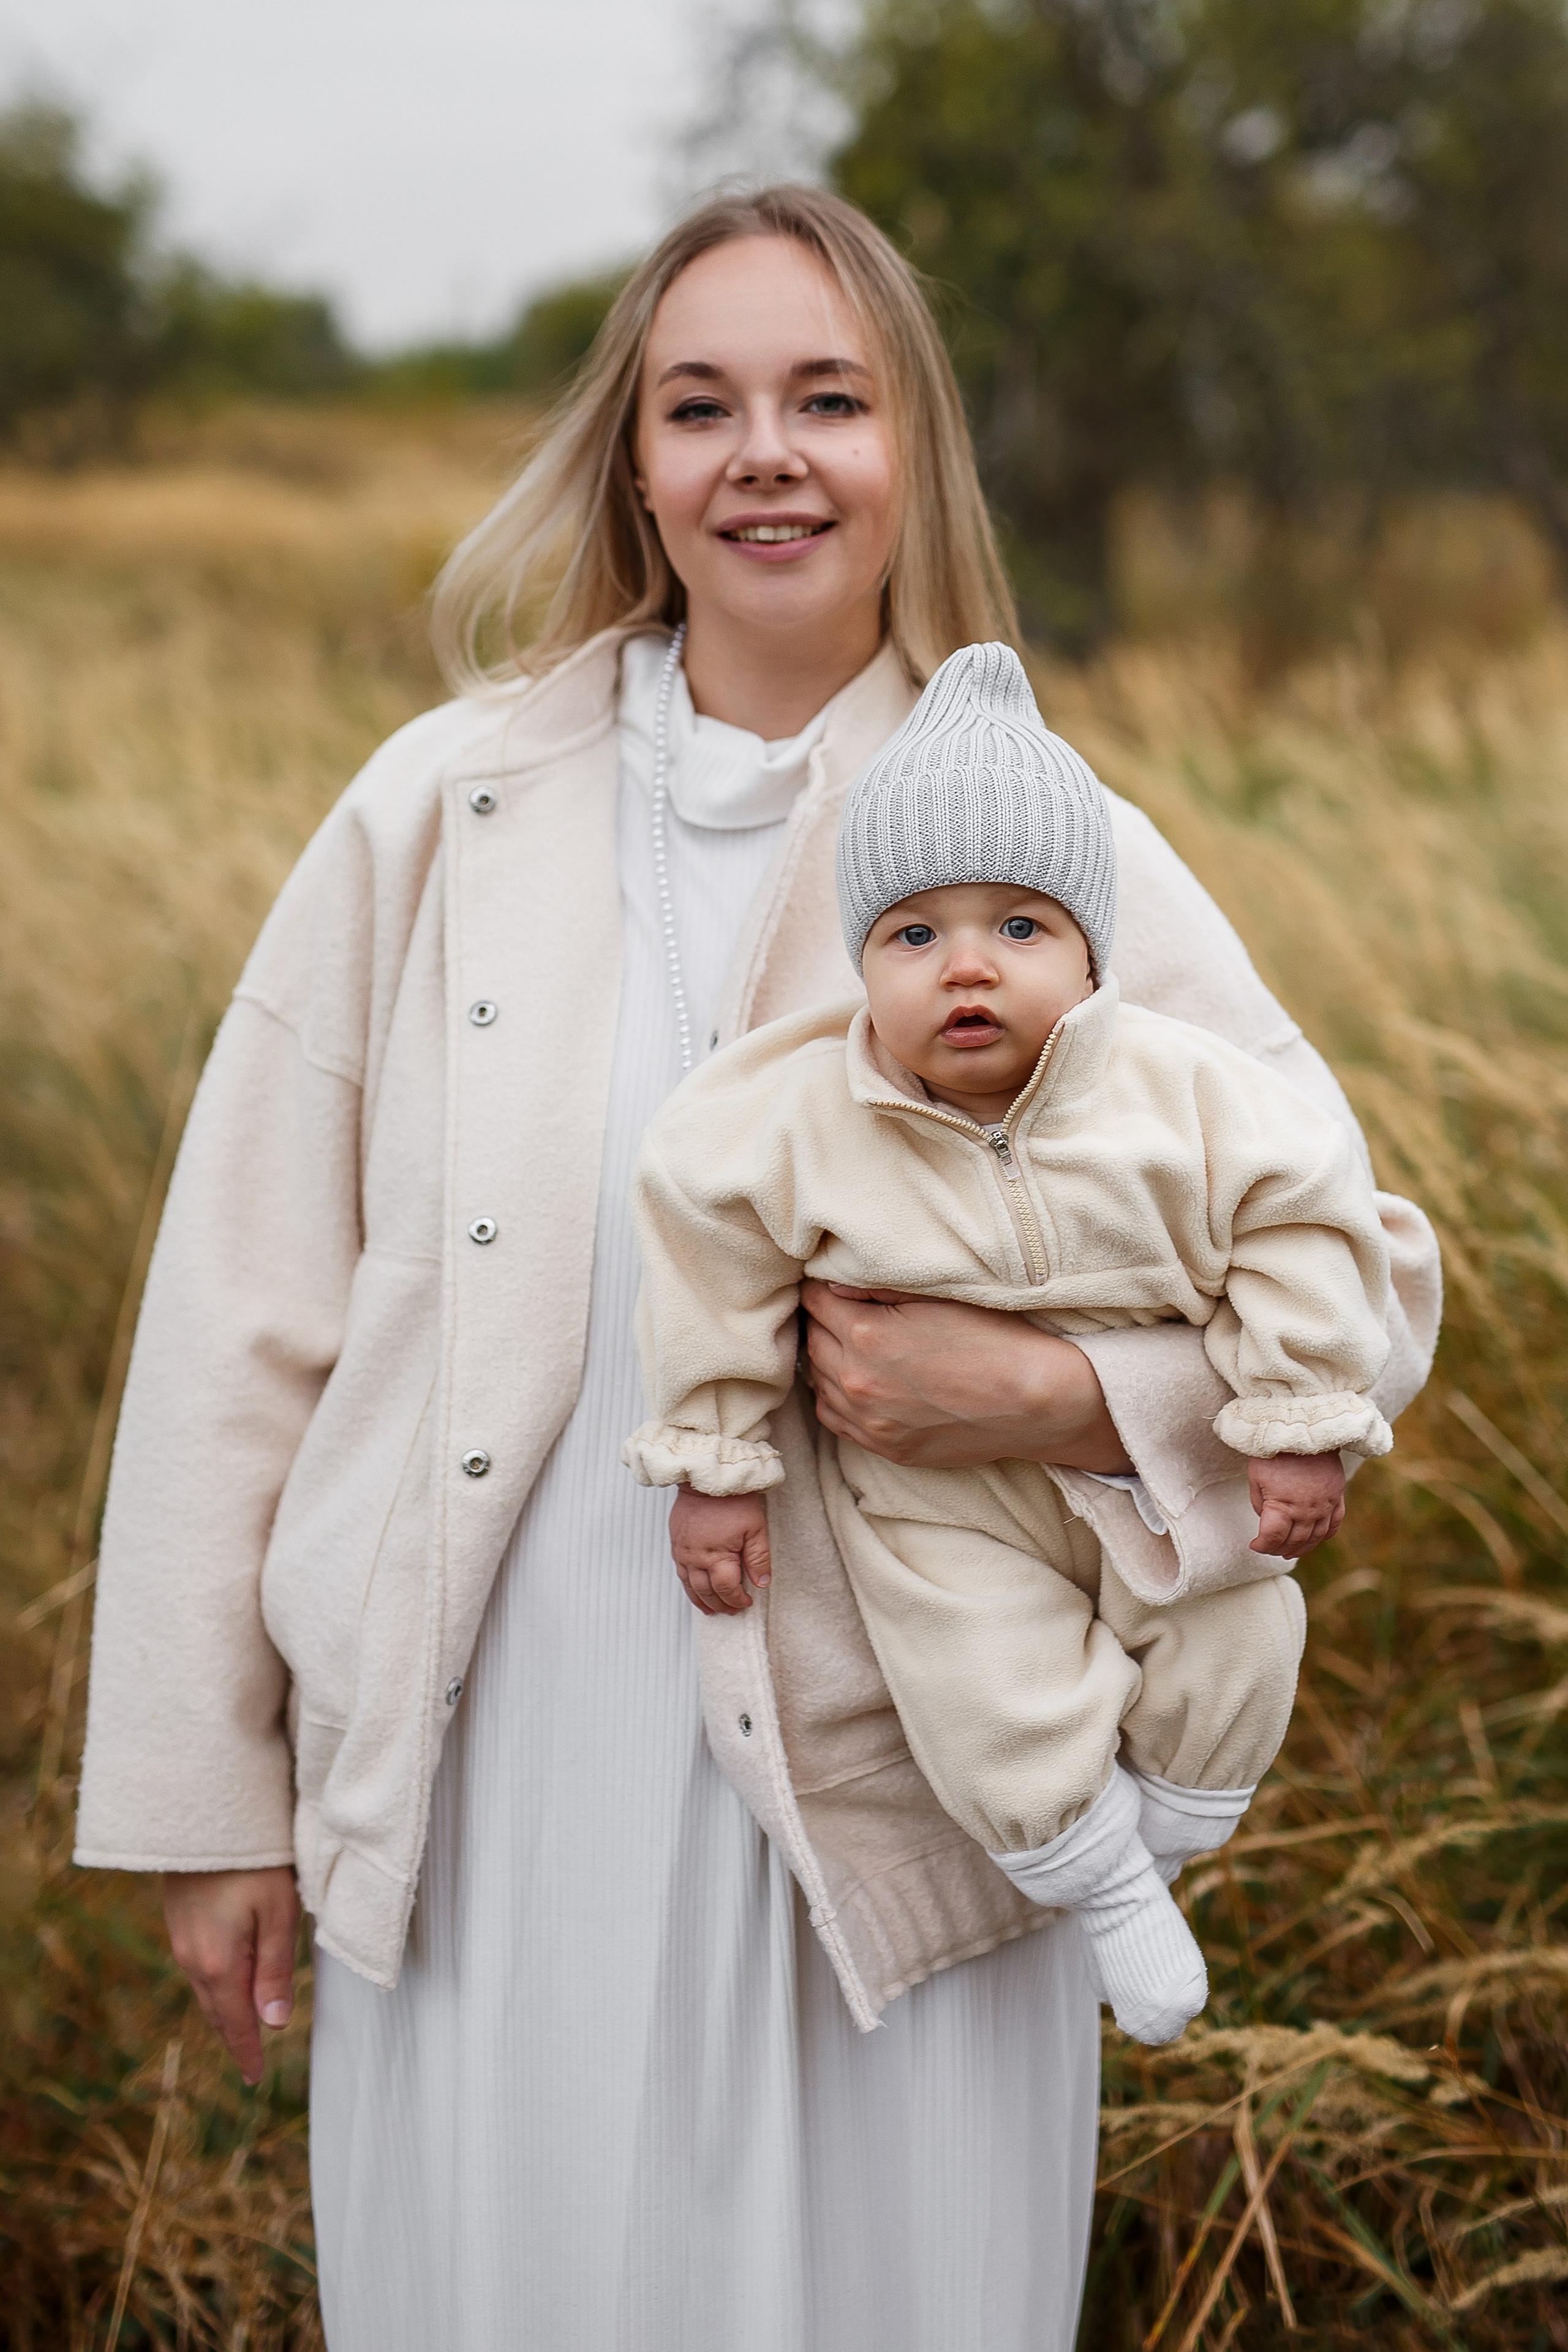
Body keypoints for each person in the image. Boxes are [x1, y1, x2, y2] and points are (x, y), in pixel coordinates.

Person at [72, 185, 1441, 2351]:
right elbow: (243, 1309)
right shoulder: (438, 810)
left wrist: (1059, 1402)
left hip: (909, 1811)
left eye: (829, 399)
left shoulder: (1044, 850)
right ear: (635, 461)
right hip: (496, 1784)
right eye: (702, 406)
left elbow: (1368, 1273)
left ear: (915, 453)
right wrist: (205, 1799)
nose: (766, 456)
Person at [627, 638, 1395, 2051]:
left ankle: (1158, 1847)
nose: (965, 966)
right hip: (933, 1505)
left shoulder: (1187, 1093)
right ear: (860, 963)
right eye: (912, 936)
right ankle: (1094, 1875)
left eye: (1019, 928)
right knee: (979, 1689)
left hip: (1159, 1481)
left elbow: (1305, 1226)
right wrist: (714, 1463)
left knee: (1238, 1630)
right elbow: (706, 1266)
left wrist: (1296, 1418)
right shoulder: (796, 1116)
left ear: (1094, 952)